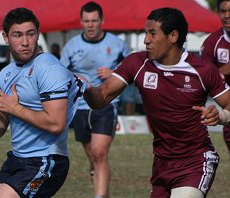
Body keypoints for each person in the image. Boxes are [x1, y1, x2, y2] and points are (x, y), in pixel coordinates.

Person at [83, 7, 230, 198]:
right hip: (161, 163)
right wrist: (86, 89)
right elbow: (101, 97)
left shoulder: (202, 69)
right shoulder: (136, 63)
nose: (146, 40)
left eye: (152, 33)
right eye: (145, 33)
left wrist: (220, 116)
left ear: (173, 36)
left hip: (195, 161)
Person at [0, 7, 83, 198]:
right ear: (6, 37)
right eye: (17, 35)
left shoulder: (48, 67)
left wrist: (15, 108)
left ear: (37, 33)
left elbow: (56, 124)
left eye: (30, 34)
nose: (25, 42)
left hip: (45, 161)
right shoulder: (5, 74)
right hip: (17, 160)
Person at [60, 2, 130, 197]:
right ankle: (102, 189)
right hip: (80, 107)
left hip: (107, 104)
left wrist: (114, 72)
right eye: (87, 21)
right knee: (94, 158)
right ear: (81, 22)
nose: (90, 25)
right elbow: (59, 73)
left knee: (100, 153)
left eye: (94, 21)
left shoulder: (117, 44)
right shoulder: (72, 46)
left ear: (102, 21)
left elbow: (133, 70)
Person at [200, 0, 230, 155]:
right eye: (223, 11)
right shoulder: (212, 42)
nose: (227, 16)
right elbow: (203, 76)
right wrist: (223, 71)